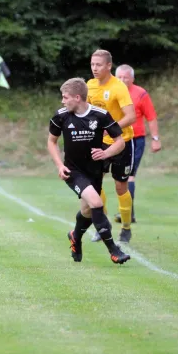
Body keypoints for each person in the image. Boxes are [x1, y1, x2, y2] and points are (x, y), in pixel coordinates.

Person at [48, 77, 131, 265]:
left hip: (94, 171)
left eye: (65, 97)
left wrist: (105, 153)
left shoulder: (100, 115)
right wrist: (60, 166)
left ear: (78, 97)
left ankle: (75, 236)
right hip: (73, 172)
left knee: (87, 210)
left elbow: (119, 142)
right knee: (96, 202)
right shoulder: (61, 116)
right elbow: (51, 142)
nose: (63, 101)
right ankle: (114, 250)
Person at [86, 50, 136, 243]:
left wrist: (111, 128)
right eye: (92, 64)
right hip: (99, 143)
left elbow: (131, 116)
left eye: (98, 65)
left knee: (120, 187)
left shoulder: (119, 87)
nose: (94, 68)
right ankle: (102, 224)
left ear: (109, 66)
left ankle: (126, 227)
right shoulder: (89, 86)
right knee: (94, 183)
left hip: (121, 142)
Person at [113, 64, 161, 224]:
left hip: (135, 139)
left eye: (125, 77)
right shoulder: (111, 91)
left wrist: (155, 138)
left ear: (132, 78)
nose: (122, 80)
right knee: (117, 177)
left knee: (129, 175)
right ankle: (122, 211)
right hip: (114, 138)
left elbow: (151, 117)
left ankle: (128, 214)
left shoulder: (140, 94)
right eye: (119, 76)